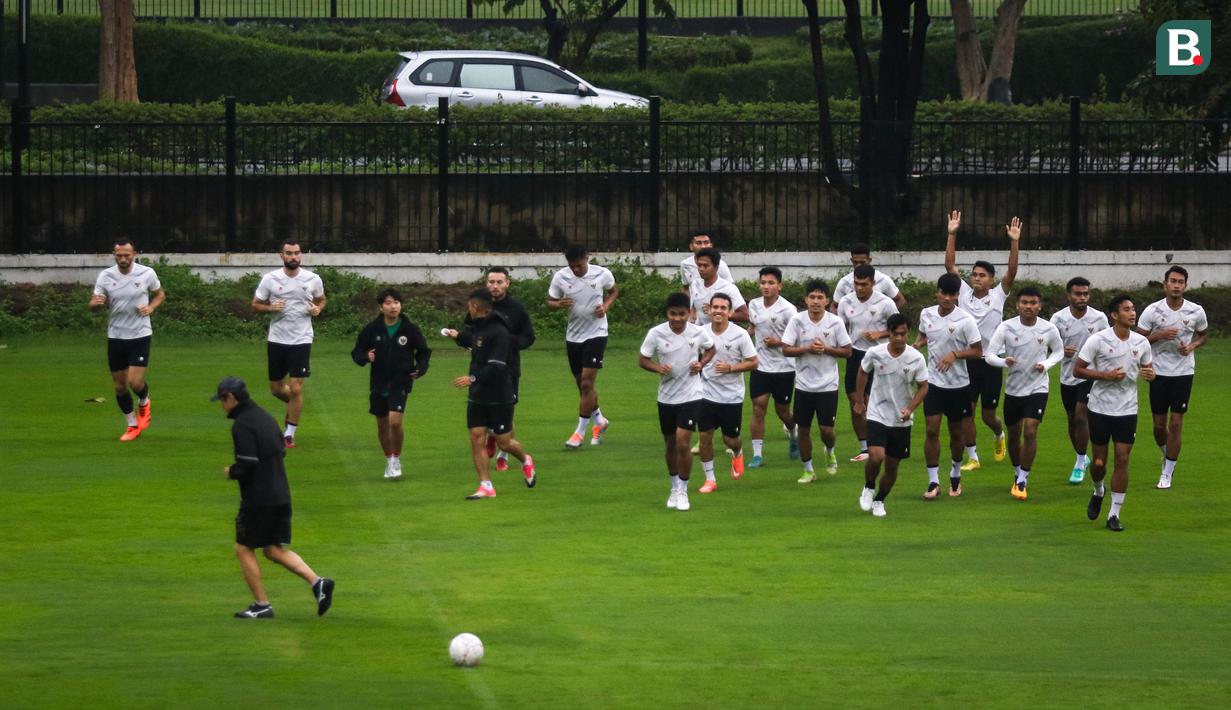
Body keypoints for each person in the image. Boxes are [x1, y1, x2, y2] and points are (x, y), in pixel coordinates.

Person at [212, 376, 334, 619]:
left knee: (243, 548)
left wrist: (232, 471)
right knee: (272, 549)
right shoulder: (265, 417)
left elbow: (247, 464)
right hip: (281, 493)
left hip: (259, 498)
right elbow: (280, 452)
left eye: (222, 400)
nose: (221, 405)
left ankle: (261, 604)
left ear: (231, 398)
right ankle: (317, 582)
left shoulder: (242, 425)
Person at [944, 210, 1020, 471]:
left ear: (991, 279)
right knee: (968, 410)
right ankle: (973, 457)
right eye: (974, 274)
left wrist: (1014, 241)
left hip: (990, 361)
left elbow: (1011, 272)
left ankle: (999, 434)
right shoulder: (963, 293)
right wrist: (951, 234)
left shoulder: (999, 295)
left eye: (982, 275)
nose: (976, 278)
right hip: (967, 361)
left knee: (989, 416)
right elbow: (950, 267)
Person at [1074, 295, 1154, 532]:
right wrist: (1106, 376)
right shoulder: (1098, 340)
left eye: (1133, 308)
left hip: (1128, 409)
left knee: (1122, 458)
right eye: (1126, 309)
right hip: (1099, 408)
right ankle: (1099, 489)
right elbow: (1078, 370)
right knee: (1099, 463)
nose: (1132, 313)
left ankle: (1114, 514)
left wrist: (1151, 375)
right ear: (1114, 315)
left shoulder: (1142, 342)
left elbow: (1149, 369)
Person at [452, 290, 537, 499]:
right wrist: (456, 336)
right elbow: (472, 340)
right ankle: (486, 485)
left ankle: (525, 459)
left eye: (469, 307)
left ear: (476, 308)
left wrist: (471, 379)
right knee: (476, 437)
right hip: (478, 394)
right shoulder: (479, 329)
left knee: (504, 442)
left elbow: (497, 367)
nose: (468, 310)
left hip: (500, 394)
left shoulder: (500, 333)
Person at [984, 287, 1064, 500]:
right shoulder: (1006, 327)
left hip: (1038, 388)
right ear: (1017, 305)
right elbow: (989, 354)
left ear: (1040, 306)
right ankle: (1017, 470)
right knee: (1014, 435)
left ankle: (1022, 480)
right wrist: (1004, 361)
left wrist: (1046, 364)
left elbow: (1059, 351)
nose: (1029, 307)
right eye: (1025, 303)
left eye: (1033, 303)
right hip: (1013, 390)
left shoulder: (1048, 329)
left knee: (1030, 431)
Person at [639, 292, 716, 512]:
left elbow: (711, 349)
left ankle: (683, 490)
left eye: (682, 314)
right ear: (667, 314)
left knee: (683, 441)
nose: (677, 319)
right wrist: (658, 368)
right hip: (666, 397)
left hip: (692, 395)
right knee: (670, 443)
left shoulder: (698, 332)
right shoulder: (656, 334)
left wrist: (701, 364)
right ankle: (674, 487)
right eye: (673, 314)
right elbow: (643, 360)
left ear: (689, 314)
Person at [1137, 266, 1208, 490]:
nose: (1176, 285)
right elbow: (1137, 340)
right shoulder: (1152, 311)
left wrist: (1193, 346)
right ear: (1165, 284)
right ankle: (1168, 454)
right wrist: (1159, 335)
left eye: (1180, 282)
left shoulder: (1196, 311)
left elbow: (1203, 334)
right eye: (1173, 281)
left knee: (1176, 423)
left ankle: (1167, 472)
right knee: (1159, 427)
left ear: (1186, 286)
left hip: (1183, 372)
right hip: (1157, 372)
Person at [350, 288, 432, 481]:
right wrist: (365, 357)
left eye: (396, 302)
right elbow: (357, 352)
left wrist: (420, 368)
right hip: (378, 383)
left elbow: (424, 352)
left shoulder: (409, 329)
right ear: (381, 307)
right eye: (388, 303)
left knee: (395, 421)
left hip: (400, 381)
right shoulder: (372, 329)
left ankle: (397, 458)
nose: (393, 306)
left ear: (400, 305)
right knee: (382, 425)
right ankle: (389, 459)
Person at [89, 238, 165, 441]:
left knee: (134, 381)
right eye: (119, 255)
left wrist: (151, 307)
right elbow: (94, 303)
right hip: (116, 336)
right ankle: (132, 425)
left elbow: (159, 295)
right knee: (120, 385)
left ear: (134, 254)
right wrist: (96, 304)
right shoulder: (105, 276)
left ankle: (144, 400)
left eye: (126, 255)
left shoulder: (147, 273)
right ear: (114, 255)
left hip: (140, 334)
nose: (123, 259)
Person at [852, 314, 928, 518]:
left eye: (903, 334)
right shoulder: (875, 353)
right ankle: (868, 487)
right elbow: (862, 372)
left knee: (892, 467)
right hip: (877, 413)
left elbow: (923, 387)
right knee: (876, 456)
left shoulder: (916, 358)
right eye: (895, 334)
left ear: (908, 333)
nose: (900, 338)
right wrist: (860, 401)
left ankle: (880, 499)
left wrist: (910, 408)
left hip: (901, 420)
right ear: (889, 333)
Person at [252, 240, 326, 449]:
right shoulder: (270, 279)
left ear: (301, 255)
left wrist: (317, 309)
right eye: (289, 253)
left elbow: (321, 300)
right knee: (276, 389)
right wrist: (270, 308)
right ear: (281, 255)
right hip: (277, 338)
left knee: (295, 387)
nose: (293, 257)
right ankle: (296, 405)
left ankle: (289, 434)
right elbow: (255, 304)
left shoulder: (313, 279)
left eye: (297, 253)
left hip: (302, 339)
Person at [914, 273, 982, 499]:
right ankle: (933, 482)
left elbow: (977, 350)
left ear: (957, 296)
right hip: (933, 382)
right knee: (931, 429)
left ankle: (955, 475)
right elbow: (924, 335)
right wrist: (917, 344)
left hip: (959, 385)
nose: (946, 298)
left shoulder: (966, 320)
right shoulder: (926, 314)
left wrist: (955, 354)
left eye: (951, 294)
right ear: (937, 293)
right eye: (943, 293)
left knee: (956, 433)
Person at [547, 245, 619, 449]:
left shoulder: (602, 274)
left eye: (578, 266)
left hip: (597, 334)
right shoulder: (561, 277)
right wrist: (560, 303)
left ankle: (579, 432)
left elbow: (614, 291)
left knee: (587, 384)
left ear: (587, 259)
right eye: (572, 266)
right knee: (582, 385)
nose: (576, 270)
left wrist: (606, 306)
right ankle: (600, 420)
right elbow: (550, 302)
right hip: (574, 336)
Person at [782, 280, 853, 482]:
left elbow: (848, 351)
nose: (815, 301)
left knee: (826, 430)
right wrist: (806, 348)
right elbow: (786, 349)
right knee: (803, 429)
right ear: (806, 300)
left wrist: (827, 349)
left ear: (827, 300)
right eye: (812, 297)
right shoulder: (797, 321)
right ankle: (808, 470)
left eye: (820, 297)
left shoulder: (835, 322)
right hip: (803, 385)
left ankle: (830, 449)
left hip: (828, 385)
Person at [836, 263, 899, 462]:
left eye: (864, 284)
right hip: (855, 355)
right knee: (856, 402)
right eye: (857, 284)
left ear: (873, 283)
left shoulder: (886, 302)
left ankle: (882, 443)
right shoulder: (846, 302)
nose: (860, 288)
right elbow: (839, 328)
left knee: (876, 402)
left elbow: (899, 328)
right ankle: (864, 447)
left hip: (879, 355)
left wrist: (880, 333)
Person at [696, 293, 758, 493]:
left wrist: (731, 368)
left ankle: (738, 452)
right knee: (705, 435)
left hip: (731, 396)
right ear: (709, 309)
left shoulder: (740, 335)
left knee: (730, 439)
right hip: (705, 393)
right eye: (715, 307)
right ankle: (710, 479)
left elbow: (754, 362)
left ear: (730, 312)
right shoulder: (700, 333)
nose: (719, 311)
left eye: (723, 308)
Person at [1049, 277, 1108, 484]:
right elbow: (1047, 346)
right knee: (1072, 418)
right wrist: (1061, 351)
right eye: (1078, 294)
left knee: (1082, 416)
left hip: (1090, 375)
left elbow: (1107, 343)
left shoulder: (1099, 318)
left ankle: (1079, 462)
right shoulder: (1058, 319)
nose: (1082, 298)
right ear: (1069, 295)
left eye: (1085, 294)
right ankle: (1082, 456)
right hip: (1068, 377)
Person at [746, 266, 800, 468]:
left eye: (770, 283)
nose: (766, 287)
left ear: (780, 286)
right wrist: (742, 340)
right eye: (763, 283)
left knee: (782, 411)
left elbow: (796, 340)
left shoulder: (788, 310)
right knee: (758, 409)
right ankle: (757, 455)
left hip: (784, 367)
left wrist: (778, 343)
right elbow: (752, 328)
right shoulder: (754, 305)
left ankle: (793, 431)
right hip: (760, 366)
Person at [829, 243, 907, 312]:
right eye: (856, 262)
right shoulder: (844, 282)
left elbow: (900, 300)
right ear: (852, 261)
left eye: (862, 262)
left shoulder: (883, 279)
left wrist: (886, 316)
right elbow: (834, 305)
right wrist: (841, 320)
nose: (859, 265)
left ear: (869, 260)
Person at [688, 248, 748, 326]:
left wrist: (717, 313)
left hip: (722, 334)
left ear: (716, 267)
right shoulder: (695, 284)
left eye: (705, 266)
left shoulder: (728, 288)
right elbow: (696, 307)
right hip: (702, 333)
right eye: (699, 265)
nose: (701, 269)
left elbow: (745, 315)